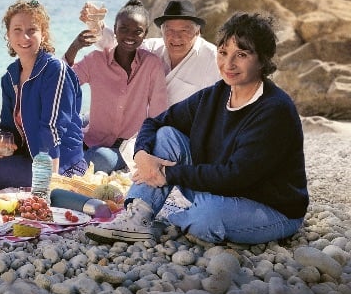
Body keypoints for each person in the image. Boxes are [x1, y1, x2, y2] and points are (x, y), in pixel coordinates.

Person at [84, 13, 308, 245]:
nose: (228, 64)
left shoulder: (274, 110)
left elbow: (237, 176)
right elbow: (155, 122)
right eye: (223, 53)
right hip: (219, 190)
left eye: (241, 54)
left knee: (208, 215)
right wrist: (142, 156)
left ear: (262, 60)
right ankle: (138, 216)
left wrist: (167, 173)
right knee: (167, 135)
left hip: (269, 206)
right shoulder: (215, 95)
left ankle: (180, 220)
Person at [0, 0, 86, 189]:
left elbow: (52, 129)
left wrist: (48, 183)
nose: (25, 37)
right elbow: (7, 125)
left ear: (43, 34)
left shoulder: (55, 70)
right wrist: (4, 143)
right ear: (8, 35)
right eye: (17, 30)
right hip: (27, 155)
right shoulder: (9, 77)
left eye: (32, 30)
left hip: (60, 162)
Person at [63, 0, 168, 173]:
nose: (130, 36)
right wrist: (74, 47)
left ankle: (72, 168)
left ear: (145, 34)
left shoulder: (152, 64)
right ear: (115, 30)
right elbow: (63, 83)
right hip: (91, 139)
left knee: (99, 159)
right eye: (124, 29)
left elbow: (158, 114)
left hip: (125, 148)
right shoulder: (96, 60)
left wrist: (147, 151)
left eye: (137, 31)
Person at [74, 0, 220, 104]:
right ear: (162, 31)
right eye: (169, 30)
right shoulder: (152, 49)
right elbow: (117, 45)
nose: (176, 37)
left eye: (184, 30)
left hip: (180, 135)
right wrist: (95, 24)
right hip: (142, 127)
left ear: (197, 32)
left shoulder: (213, 59)